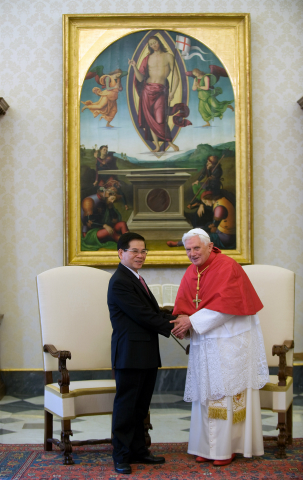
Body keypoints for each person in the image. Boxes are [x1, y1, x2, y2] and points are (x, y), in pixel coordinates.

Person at [171, 228, 269, 466]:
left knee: (225, 395)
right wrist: (183, 320)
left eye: (196, 248)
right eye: (188, 250)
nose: (192, 253)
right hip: (204, 343)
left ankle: (228, 447)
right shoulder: (191, 271)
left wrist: (191, 321)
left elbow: (226, 307)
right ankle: (207, 446)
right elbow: (185, 304)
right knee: (205, 394)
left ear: (209, 245)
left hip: (229, 344)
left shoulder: (227, 267)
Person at [107, 232, 176, 474]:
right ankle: (121, 456)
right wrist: (176, 326)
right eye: (134, 251)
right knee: (126, 407)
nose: (140, 255)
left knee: (140, 406)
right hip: (130, 353)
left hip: (145, 352)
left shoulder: (136, 278)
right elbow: (144, 316)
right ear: (121, 253)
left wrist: (179, 318)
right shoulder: (120, 281)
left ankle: (138, 451)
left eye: (143, 251)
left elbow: (154, 311)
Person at [128, 36, 191, 152]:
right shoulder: (147, 58)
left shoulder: (168, 57)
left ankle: (170, 143)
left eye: (155, 43)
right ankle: (157, 146)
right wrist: (134, 67)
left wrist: (172, 92)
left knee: (160, 118)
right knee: (150, 119)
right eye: (151, 44)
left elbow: (176, 76)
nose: (153, 46)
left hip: (161, 91)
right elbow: (141, 78)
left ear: (159, 42)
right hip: (147, 91)